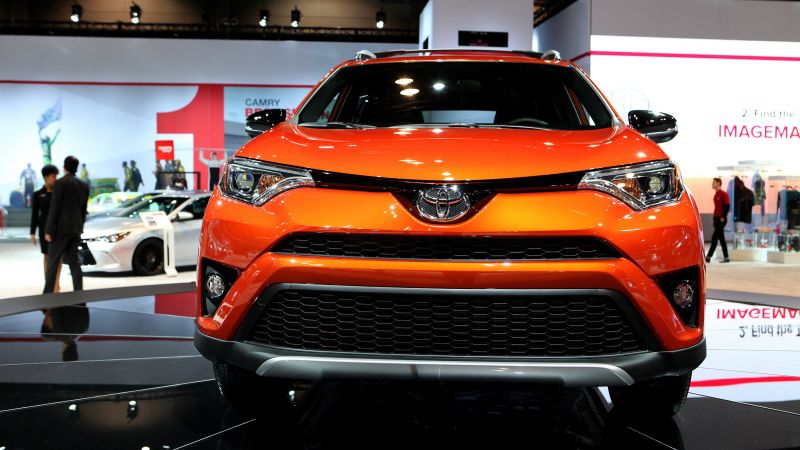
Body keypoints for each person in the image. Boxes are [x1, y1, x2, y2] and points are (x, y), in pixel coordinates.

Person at [43, 156, 90, 294]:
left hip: (60, 230)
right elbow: (83, 210)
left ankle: (47, 294)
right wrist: (80, 227)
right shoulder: (84, 185)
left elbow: (55, 208)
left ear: (64, 167)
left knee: (53, 262)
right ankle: (79, 294)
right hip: (76, 229)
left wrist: (48, 230)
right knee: (75, 263)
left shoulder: (60, 183)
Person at [31, 164, 63, 293]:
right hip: (43, 230)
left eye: (56, 176)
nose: (55, 179)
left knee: (58, 257)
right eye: (53, 177)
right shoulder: (38, 194)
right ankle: (49, 284)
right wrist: (32, 232)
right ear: (46, 177)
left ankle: (56, 284)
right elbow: (34, 214)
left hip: (59, 229)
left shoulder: (59, 193)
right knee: (46, 257)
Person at [706, 177, 730, 263]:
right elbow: (717, 208)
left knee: (714, 238)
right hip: (716, 219)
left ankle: (708, 256)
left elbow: (727, 206)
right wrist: (714, 219)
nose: (712, 184)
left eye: (714, 182)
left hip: (721, 219)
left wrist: (723, 216)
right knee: (720, 238)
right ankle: (726, 257)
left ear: (718, 183)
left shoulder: (723, 194)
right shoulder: (716, 194)